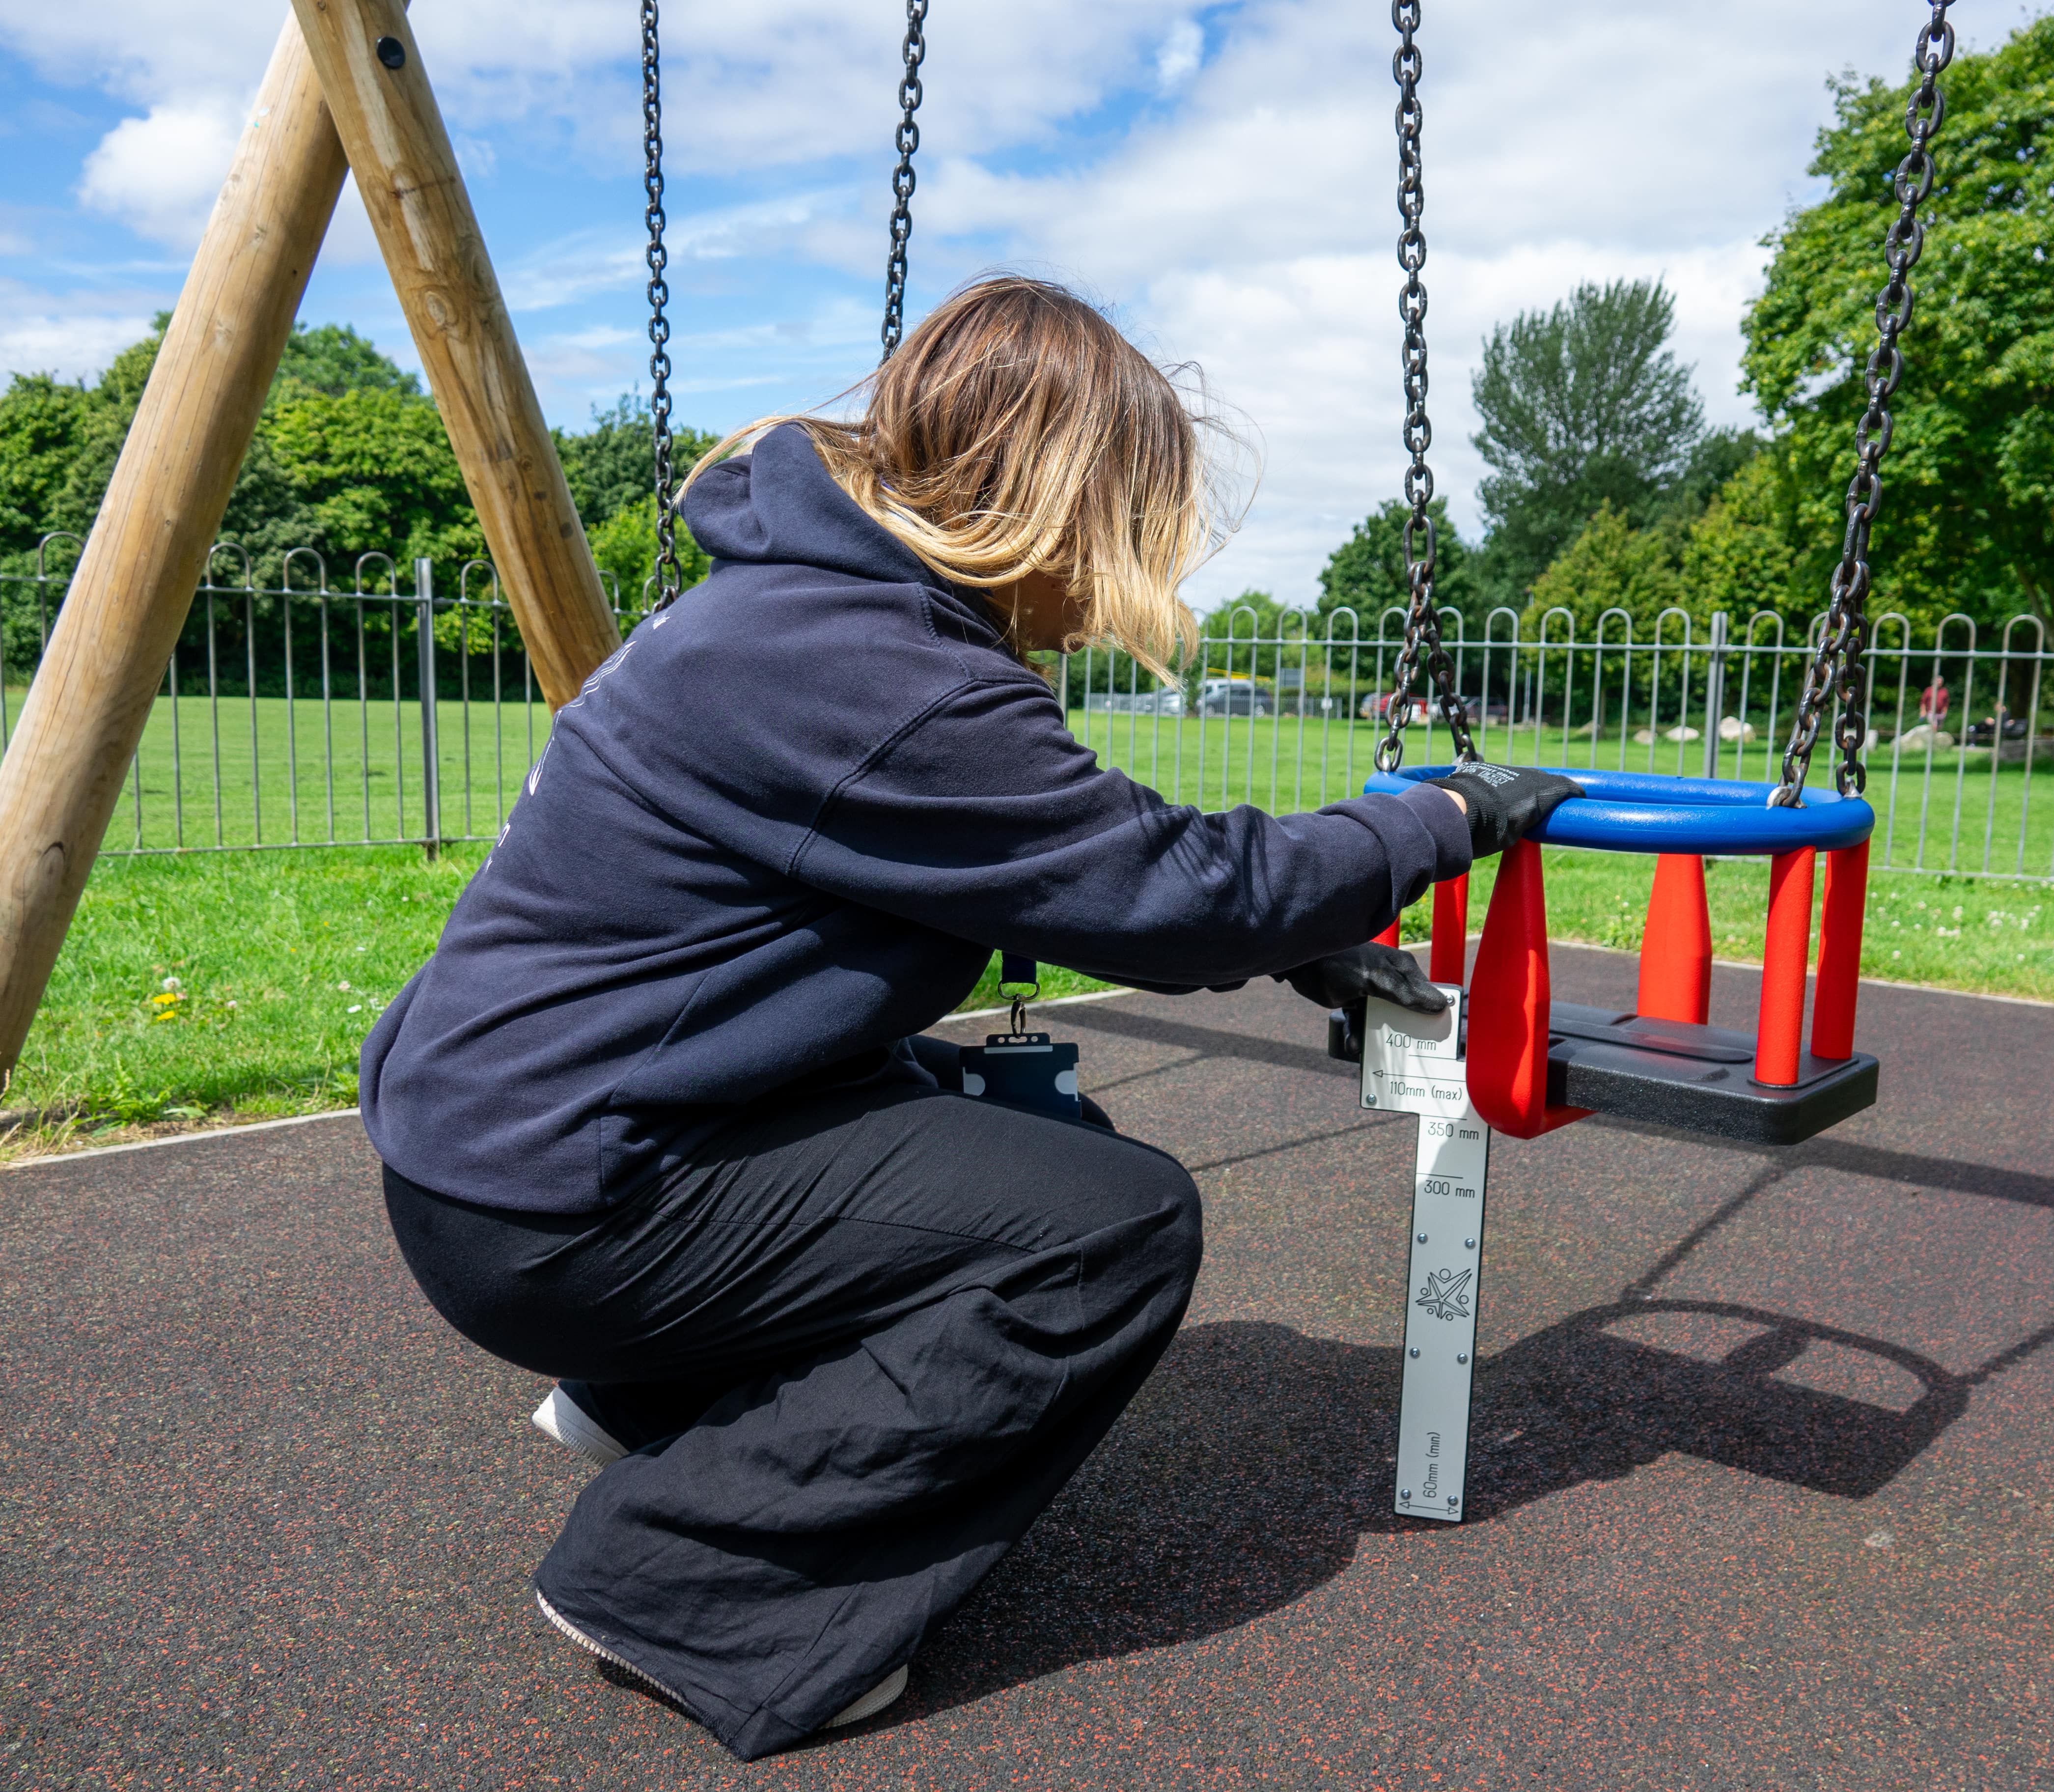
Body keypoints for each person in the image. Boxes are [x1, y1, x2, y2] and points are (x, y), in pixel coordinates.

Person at [361, 276, 1575, 1760]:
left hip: (508, 1139)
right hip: (567, 1202)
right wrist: (1437, 818)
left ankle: (645, 1400)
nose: (1134, 568)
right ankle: (688, 1577)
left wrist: (1303, 942)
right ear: (1055, 502)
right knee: (1111, 1228)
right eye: (1136, 522)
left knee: (1027, 1131)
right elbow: (1169, 894)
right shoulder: (886, 676)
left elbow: (1054, 874)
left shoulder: (793, 611)